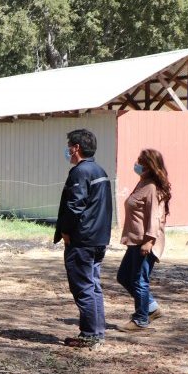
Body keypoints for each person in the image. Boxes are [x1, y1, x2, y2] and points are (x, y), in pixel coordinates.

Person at [54, 128, 113, 348]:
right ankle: (96, 333)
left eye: (69, 145)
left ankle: (89, 335)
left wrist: (66, 231)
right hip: (98, 239)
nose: (67, 150)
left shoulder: (81, 172)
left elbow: (74, 206)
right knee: (93, 286)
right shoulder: (99, 170)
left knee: (83, 287)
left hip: (82, 241)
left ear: (76, 148)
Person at [116, 149, 170, 332]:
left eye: (140, 162)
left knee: (139, 281)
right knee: (124, 277)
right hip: (134, 240)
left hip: (145, 242)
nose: (136, 164)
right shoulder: (142, 184)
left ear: (149, 165)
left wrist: (149, 241)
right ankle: (152, 308)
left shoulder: (152, 188)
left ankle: (141, 319)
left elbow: (155, 216)